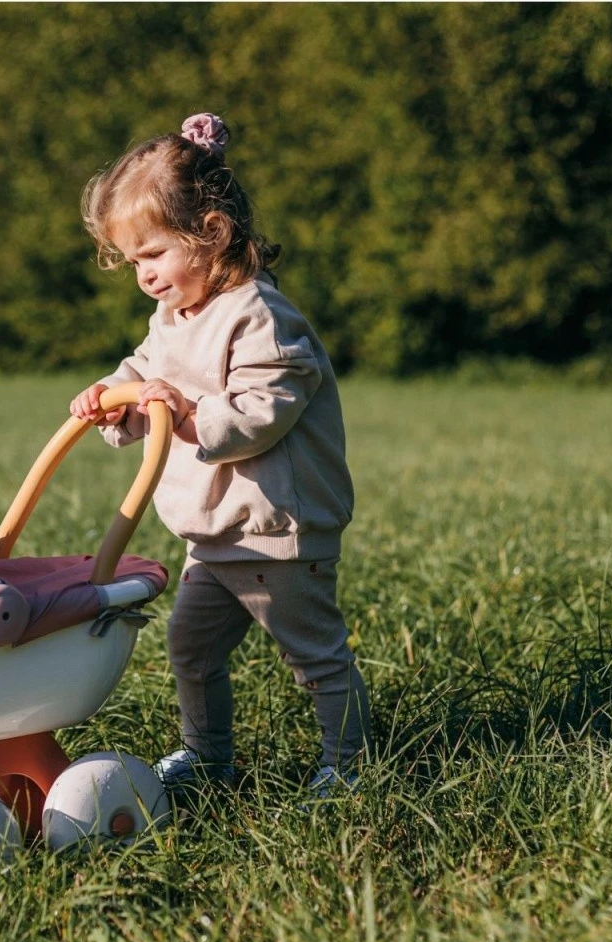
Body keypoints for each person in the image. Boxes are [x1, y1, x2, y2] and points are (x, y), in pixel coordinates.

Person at [70, 112, 372, 799]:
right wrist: (111, 397)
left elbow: (263, 414)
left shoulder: (260, 313)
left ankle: (349, 764)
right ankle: (209, 757)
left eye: (153, 255)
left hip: (277, 532)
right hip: (216, 535)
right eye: (132, 260)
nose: (143, 275)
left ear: (211, 232)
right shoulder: (173, 317)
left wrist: (184, 413)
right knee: (193, 647)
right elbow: (143, 370)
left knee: (314, 656)